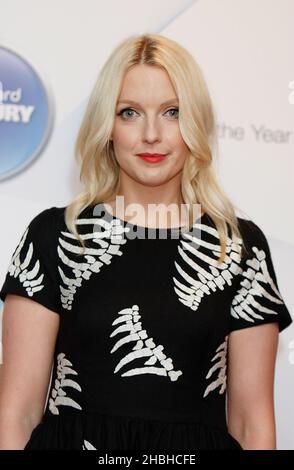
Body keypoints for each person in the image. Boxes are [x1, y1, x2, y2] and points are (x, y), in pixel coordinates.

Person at [0, 33, 292, 451]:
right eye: (130, 112)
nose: (151, 134)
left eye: (172, 112)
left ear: (196, 122)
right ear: (107, 126)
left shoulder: (240, 246)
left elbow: (252, 425)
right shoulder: (55, 236)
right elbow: (17, 413)